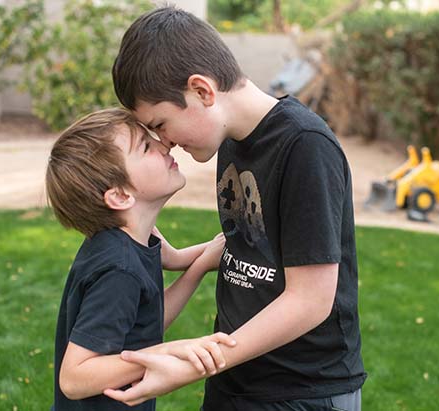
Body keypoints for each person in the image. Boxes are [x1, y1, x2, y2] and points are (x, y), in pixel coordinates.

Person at [108, 6, 366, 411]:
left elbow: (311, 299)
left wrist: (197, 365)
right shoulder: (230, 141)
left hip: (301, 390)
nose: (166, 142)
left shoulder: (305, 146)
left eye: (160, 125)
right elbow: (249, 243)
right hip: (236, 375)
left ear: (202, 91)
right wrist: (178, 258)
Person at [45, 108, 236, 411]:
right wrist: (168, 352)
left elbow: (143, 324)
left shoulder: (129, 238)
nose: (164, 144)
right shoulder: (119, 271)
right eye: (146, 146)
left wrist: (202, 263)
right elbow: (74, 378)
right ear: (120, 196)